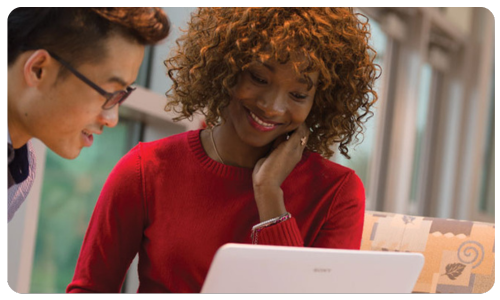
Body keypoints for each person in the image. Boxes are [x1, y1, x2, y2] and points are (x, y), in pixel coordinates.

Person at [67, 7, 380, 293]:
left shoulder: (336, 193)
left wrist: (269, 193)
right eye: (259, 78)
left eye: (298, 94)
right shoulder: (146, 169)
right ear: (226, 68)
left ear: (320, 101)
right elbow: (90, 288)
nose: (272, 106)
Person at [7, 7, 170, 223]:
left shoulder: (21, 169)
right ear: (39, 70)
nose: (112, 119)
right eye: (109, 93)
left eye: (121, 96)